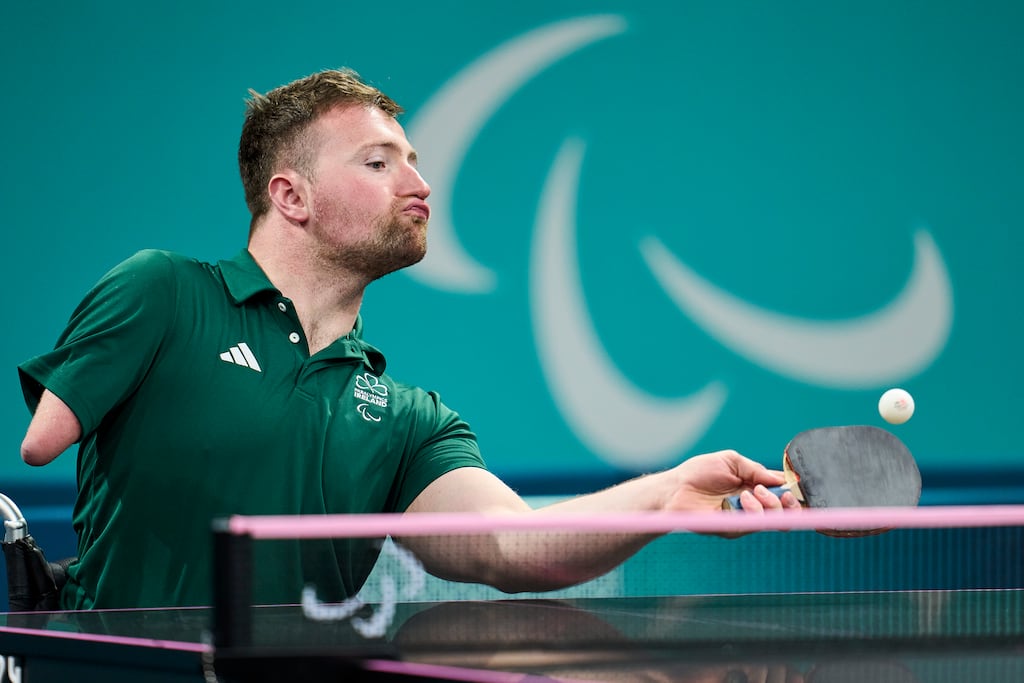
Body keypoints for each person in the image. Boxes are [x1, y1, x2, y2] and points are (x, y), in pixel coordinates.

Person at [18, 68, 800, 609]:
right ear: (291, 196)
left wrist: (667, 492)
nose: (418, 184)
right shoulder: (166, 292)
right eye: (379, 161)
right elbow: (42, 442)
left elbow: (518, 548)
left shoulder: (404, 419)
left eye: (415, 162)